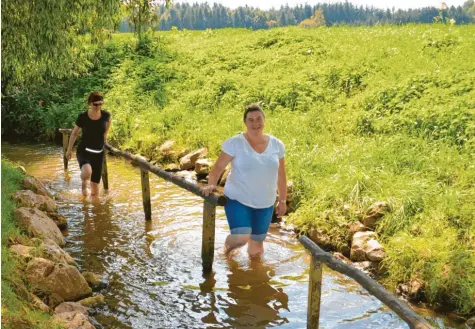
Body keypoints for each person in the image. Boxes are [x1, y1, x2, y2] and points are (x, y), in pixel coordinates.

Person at [201, 104, 287, 258]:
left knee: (256, 249)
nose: (255, 123)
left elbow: (281, 174)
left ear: (264, 120)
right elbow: (217, 168)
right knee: (241, 238)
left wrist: (282, 200)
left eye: (259, 119)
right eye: (251, 119)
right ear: (245, 122)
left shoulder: (277, 145)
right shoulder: (235, 143)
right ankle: (225, 252)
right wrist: (211, 185)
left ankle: (254, 277)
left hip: (265, 202)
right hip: (238, 198)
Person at [66, 92, 112, 197]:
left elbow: (109, 121)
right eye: (95, 104)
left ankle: (92, 210)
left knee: (95, 191)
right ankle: (83, 183)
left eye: (101, 104)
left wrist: (105, 135)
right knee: (87, 172)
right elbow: (74, 133)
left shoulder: (106, 115)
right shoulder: (83, 117)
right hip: (84, 151)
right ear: (90, 103)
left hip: (99, 153)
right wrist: (69, 150)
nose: (98, 106)